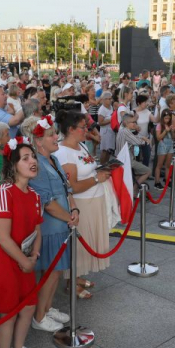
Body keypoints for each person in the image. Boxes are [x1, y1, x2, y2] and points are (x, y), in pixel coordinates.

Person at [0, 137, 45, 348]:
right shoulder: (4, 193)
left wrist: (34, 255)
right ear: (13, 165)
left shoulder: (35, 196)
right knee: (7, 312)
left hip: (25, 260)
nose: (32, 162)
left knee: (28, 306)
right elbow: (3, 237)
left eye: (33, 157)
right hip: (3, 262)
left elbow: (37, 230)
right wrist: (25, 260)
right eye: (25, 158)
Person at [54, 110, 111, 298]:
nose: (86, 129)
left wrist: (101, 173)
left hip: (93, 201)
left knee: (85, 242)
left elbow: (88, 168)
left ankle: (77, 277)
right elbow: (73, 186)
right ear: (71, 129)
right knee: (79, 244)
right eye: (82, 127)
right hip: (82, 203)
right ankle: (72, 282)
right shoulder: (64, 152)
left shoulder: (80, 146)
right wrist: (97, 180)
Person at [29, 116, 77, 332]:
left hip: (62, 223)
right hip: (51, 227)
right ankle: (39, 316)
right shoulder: (37, 163)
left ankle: (47, 308)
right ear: (39, 141)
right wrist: (69, 218)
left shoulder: (53, 159)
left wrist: (74, 209)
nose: (57, 137)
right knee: (50, 272)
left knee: (56, 271)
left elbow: (67, 188)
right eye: (51, 135)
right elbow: (46, 203)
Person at [117, 113, 151, 186]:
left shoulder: (122, 130)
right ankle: (135, 189)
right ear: (126, 123)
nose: (135, 124)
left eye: (135, 122)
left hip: (123, 159)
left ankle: (134, 185)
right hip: (126, 160)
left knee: (137, 173)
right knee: (148, 171)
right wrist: (146, 141)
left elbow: (135, 136)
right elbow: (138, 142)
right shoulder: (126, 131)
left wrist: (142, 137)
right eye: (133, 122)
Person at [153, 109, 175, 190]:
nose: (167, 120)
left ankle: (167, 179)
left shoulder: (170, 125)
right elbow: (158, 138)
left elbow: (173, 137)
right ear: (162, 118)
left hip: (170, 146)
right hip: (162, 146)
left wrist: (172, 131)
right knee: (159, 165)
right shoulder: (159, 126)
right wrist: (165, 131)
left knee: (168, 165)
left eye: (168, 118)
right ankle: (157, 182)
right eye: (165, 118)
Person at [97, 91, 115, 164]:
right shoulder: (102, 109)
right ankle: (102, 165)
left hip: (111, 131)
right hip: (105, 132)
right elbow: (100, 122)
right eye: (108, 99)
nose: (110, 100)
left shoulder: (111, 107)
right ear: (104, 100)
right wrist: (111, 120)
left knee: (109, 150)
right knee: (104, 150)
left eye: (111, 99)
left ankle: (106, 164)